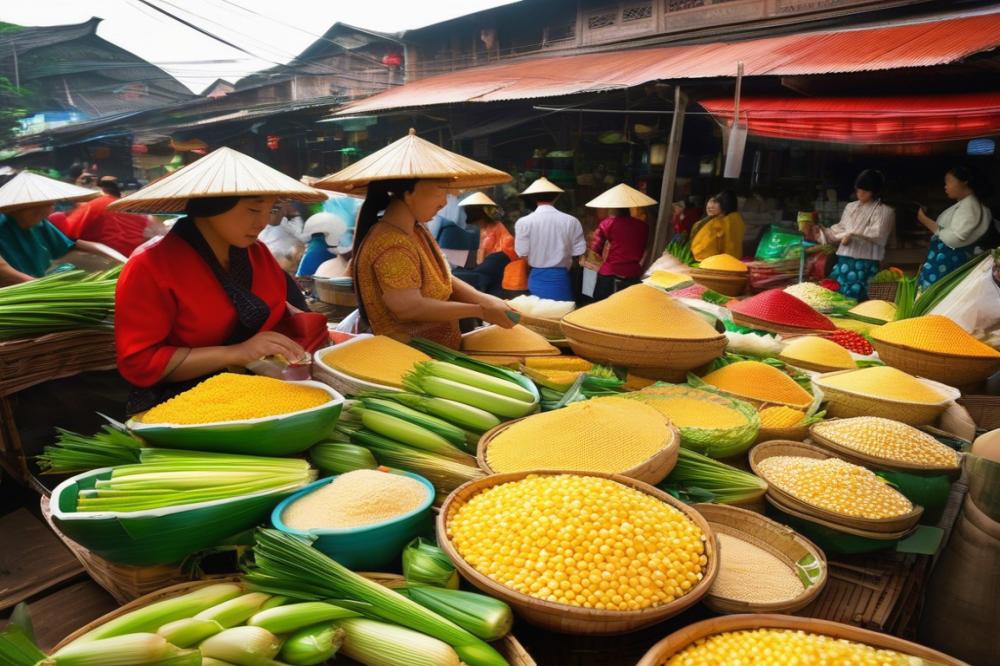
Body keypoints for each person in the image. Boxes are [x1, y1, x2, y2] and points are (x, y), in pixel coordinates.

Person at [111, 146, 328, 413]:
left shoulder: (257, 254)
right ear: (212, 205)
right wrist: (237, 353)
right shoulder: (150, 265)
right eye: (252, 209)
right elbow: (140, 362)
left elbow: (281, 312)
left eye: (270, 208)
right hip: (179, 406)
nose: (263, 222)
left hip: (254, 393)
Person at [313, 129, 516, 348]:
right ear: (408, 193)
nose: (444, 202)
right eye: (440, 191)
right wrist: (480, 310)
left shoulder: (417, 231)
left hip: (438, 348)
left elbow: (442, 278)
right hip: (410, 356)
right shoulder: (390, 243)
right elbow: (409, 308)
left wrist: (483, 299)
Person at [0, 171, 125, 282]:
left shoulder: (40, 225)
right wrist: (44, 290)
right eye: (36, 208)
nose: (48, 211)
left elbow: (73, 245)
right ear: (13, 208)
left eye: (50, 204)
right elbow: (4, 272)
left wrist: (125, 262)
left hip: (36, 287)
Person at [808, 169, 895, 300]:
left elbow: (878, 233)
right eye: (858, 190)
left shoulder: (884, 211)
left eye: (865, 191)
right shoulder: (851, 207)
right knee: (838, 293)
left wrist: (853, 233)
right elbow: (840, 228)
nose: (860, 194)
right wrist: (824, 231)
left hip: (866, 261)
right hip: (845, 260)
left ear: (874, 192)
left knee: (860, 296)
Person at [917, 165, 993, 290]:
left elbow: (955, 239)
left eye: (949, 182)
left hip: (950, 263)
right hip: (942, 262)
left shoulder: (970, 206)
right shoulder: (964, 204)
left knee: (939, 296)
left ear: (964, 182)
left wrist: (925, 220)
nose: (945, 186)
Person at [514, 177, 586, 301]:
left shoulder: (523, 222)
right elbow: (579, 252)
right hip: (561, 277)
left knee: (537, 315)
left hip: (536, 276)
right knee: (560, 313)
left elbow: (522, 254)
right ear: (557, 197)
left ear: (533, 197)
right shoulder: (571, 221)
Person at [585, 183, 655, 301]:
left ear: (613, 208)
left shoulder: (607, 224)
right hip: (634, 274)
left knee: (603, 309)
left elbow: (596, 247)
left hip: (610, 275)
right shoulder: (643, 226)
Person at [61, 176, 155, 257]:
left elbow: (64, 238)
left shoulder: (95, 204)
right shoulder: (134, 208)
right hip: (135, 258)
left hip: (111, 261)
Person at [458, 191, 515, 296]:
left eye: (477, 222)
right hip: (498, 260)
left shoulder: (493, 230)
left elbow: (484, 252)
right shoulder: (489, 228)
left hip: (500, 258)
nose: (476, 225)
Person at [689, 190, 745, 261]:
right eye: (710, 201)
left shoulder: (721, 222)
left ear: (726, 205)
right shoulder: (736, 220)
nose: (710, 206)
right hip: (727, 263)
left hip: (712, 264)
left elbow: (704, 251)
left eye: (716, 202)